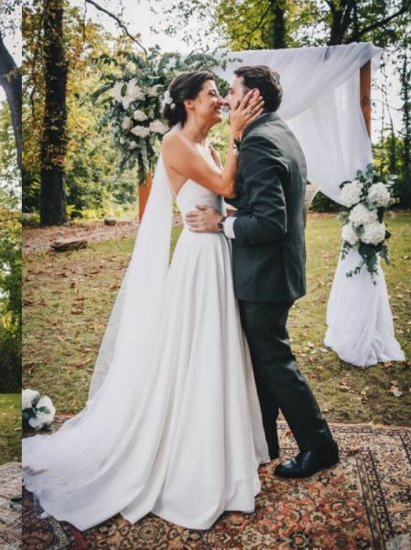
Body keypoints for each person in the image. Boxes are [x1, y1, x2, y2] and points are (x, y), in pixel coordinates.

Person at [22, 71, 269, 531]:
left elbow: (222, 199)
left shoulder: (208, 145)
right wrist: (237, 137)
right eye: (212, 94)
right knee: (197, 346)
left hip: (218, 250)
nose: (219, 100)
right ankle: (187, 449)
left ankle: (220, 438)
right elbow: (227, 185)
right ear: (190, 103)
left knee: (216, 346)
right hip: (198, 259)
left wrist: (229, 207)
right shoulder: (176, 143)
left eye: (220, 94)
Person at [185, 65, 339, 478]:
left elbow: (272, 223)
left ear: (254, 98)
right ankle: (265, 441)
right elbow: (271, 203)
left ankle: (319, 445)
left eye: (233, 92)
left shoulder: (258, 143)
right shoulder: (279, 132)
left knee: (274, 361)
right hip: (277, 271)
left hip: (265, 275)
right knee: (263, 360)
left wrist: (223, 223)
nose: (226, 100)